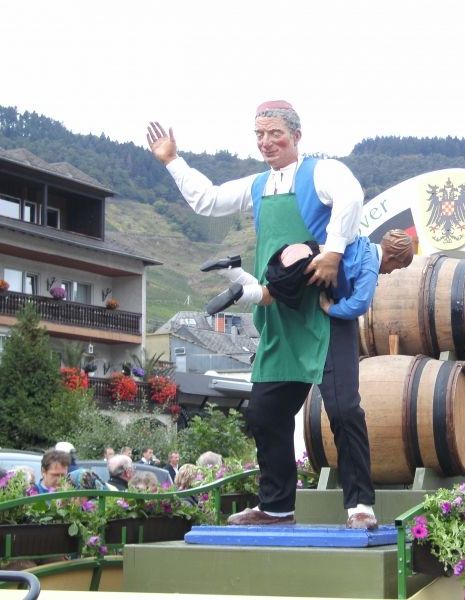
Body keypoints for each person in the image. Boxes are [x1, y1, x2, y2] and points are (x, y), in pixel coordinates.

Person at [147, 100, 377, 530]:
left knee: (344, 410)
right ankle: (275, 507)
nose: (266, 142)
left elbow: (351, 197)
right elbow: (207, 200)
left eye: (275, 134)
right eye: (259, 135)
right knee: (265, 414)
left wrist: (333, 251)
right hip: (279, 318)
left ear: (296, 136)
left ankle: (360, 506)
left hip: (324, 311)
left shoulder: (321, 172)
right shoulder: (257, 184)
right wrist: (173, 160)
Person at [210, 229, 414, 319]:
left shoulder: (365, 243)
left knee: (269, 284)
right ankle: (240, 295)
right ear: (392, 258)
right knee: (270, 297)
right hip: (307, 267)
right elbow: (359, 304)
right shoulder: (371, 268)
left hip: (303, 250)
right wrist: (331, 308)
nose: (389, 273)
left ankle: (231, 268)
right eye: (395, 268)